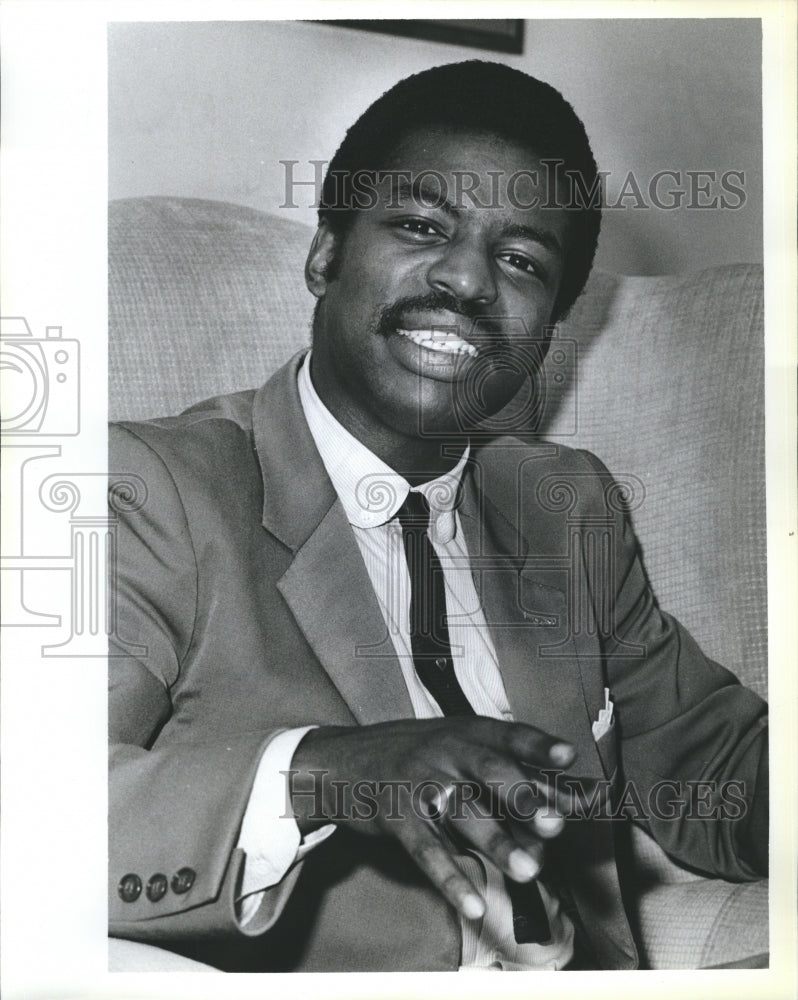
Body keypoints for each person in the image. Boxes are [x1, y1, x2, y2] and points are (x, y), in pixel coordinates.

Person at [108, 61, 767, 971]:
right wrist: (325, 771)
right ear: (327, 253)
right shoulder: (152, 491)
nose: (465, 279)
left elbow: (716, 768)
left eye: (522, 259)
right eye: (421, 225)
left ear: (551, 324)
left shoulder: (567, 504)